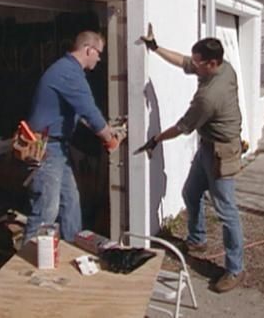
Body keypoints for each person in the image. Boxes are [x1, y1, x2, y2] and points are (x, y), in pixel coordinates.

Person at [139, 25, 245, 293]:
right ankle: (197, 239)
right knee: (191, 192)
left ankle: (235, 269)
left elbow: (182, 127)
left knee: (226, 211)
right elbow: (183, 62)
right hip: (208, 147)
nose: (193, 65)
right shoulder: (223, 66)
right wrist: (155, 47)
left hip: (223, 151)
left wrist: (155, 139)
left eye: (198, 63)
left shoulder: (209, 97)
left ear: (211, 63)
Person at [23, 31, 122, 243]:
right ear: (88, 49)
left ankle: (72, 248)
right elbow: (90, 112)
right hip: (47, 149)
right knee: (45, 212)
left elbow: (81, 113)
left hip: (57, 149)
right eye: (99, 53)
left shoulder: (66, 70)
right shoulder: (69, 73)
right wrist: (110, 139)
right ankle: (25, 262)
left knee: (70, 203)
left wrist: (107, 128)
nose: (99, 58)